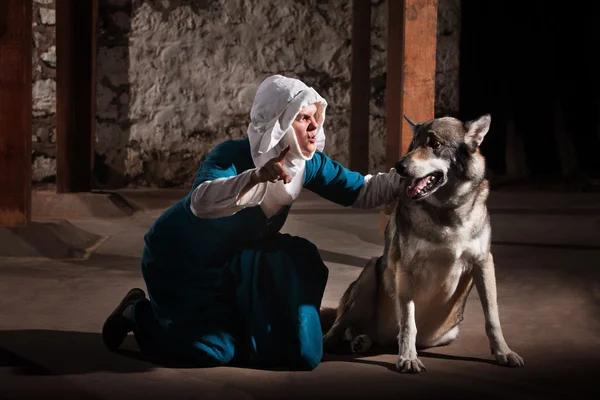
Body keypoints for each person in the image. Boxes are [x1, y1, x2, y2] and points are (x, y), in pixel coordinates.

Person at [101, 74, 401, 371]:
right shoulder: (231, 155)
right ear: (277, 124)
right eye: (302, 119)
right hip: (180, 263)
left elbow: (362, 190)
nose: (313, 127)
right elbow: (201, 201)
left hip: (235, 262)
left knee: (297, 263)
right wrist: (255, 177)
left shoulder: (307, 164)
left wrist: (412, 177)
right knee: (211, 350)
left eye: (314, 118)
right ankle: (138, 312)